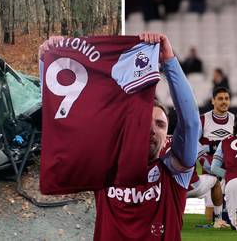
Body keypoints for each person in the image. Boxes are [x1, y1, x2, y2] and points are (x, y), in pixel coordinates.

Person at [39, 33, 199, 240]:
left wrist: (169, 61)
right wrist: (48, 62)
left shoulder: (174, 173)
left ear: (167, 135)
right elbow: (62, 121)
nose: (151, 129)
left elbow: (191, 123)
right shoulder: (106, 162)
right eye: (143, 121)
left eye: (160, 124)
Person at [195, 86, 234, 227]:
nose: (224, 102)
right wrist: (207, 153)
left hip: (230, 173)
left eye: (226, 98)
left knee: (231, 214)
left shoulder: (235, 120)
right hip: (210, 173)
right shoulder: (203, 120)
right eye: (220, 99)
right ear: (213, 101)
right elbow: (194, 144)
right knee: (210, 217)